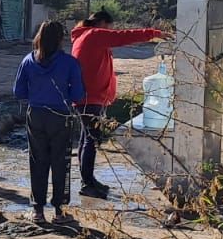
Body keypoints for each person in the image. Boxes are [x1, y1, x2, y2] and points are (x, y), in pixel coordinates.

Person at [70, 10, 166, 198]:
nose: (111, 30)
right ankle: (87, 184)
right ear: (103, 23)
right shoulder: (94, 34)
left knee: (86, 138)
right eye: (110, 27)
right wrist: (153, 33)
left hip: (88, 97)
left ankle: (88, 180)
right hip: (91, 98)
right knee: (91, 138)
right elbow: (123, 37)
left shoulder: (84, 36)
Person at [13, 19, 86, 224]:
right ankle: (60, 211)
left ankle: (38, 210)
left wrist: (37, 94)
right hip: (60, 116)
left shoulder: (28, 60)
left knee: (38, 161)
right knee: (60, 162)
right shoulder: (70, 62)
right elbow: (78, 94)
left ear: (39, 37)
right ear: (61, 39)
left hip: (35, 114)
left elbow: (18, 92)